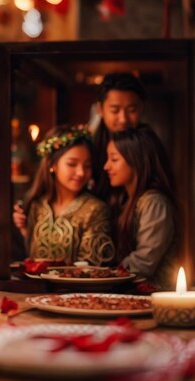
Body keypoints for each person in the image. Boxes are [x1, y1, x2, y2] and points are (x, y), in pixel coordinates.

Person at [13, 124, 115, 266]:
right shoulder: (35, 206)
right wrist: (24, 233)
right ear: (52, 165)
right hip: (34, 287)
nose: (81, 172)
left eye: (87, 165)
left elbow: (90, 268)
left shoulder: (95, 210)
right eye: (72, 164)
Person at [104, 124, 179, 290]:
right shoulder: (128, 200)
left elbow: (145, 260)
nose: (106, 166)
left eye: (114, 159)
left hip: (156, 298)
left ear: (136, 160)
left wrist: (106, 277)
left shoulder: (154, 202)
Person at [92, 72, 146, 200]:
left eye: (131, 110)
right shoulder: (90, 145)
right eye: (115, 110)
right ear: (100, 109)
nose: (123, 119)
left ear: (141, 108)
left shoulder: (148, 146)